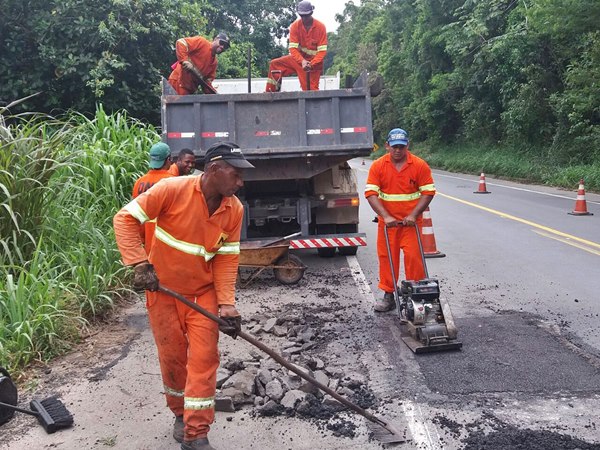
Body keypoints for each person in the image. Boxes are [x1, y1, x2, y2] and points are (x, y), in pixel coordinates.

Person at [113, 141, 255, 450]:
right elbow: (124, 219)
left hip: (202, 296)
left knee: (204, 360)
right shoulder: (171, 190)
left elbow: (227, 257)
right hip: (163, 293)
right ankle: (180, 414)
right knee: (174, 360)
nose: (241, 182)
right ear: (215, 170)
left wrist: (227, 305)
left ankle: (196, 434)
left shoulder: (234, 209)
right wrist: (139, 263)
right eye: (236, 174)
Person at [365, 128, 436, 312]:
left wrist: (413, 215)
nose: (398, 150)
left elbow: (428, 192)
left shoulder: (419, 165)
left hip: (410, 224)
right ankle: (389, 295)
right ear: (387, 145)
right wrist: (386, 216)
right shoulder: (378, 166)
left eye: (401, 147)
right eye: (394, 146)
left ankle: (416, 294)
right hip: (388, 226)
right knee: (387, 259)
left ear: (407, 146)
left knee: (414, 258)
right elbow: (371, 194)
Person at [265, 1, 327, 92]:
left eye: (306, 15)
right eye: (302, 16)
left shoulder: (320, 27)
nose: (304, 18)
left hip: (314, 64)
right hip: (299, 60)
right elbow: (292, 48)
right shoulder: (295, 26)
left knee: (310, 91)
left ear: (311, 13)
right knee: (275, 65)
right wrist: (302, 61)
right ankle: (270, 93)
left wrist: (312, 64)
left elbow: (322, 51)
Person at [132, 142, 174, 254]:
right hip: (167, 244)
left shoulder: (139, 183)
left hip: (147, 243)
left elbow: (135, 215)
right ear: (168, 159)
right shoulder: (173, 182)